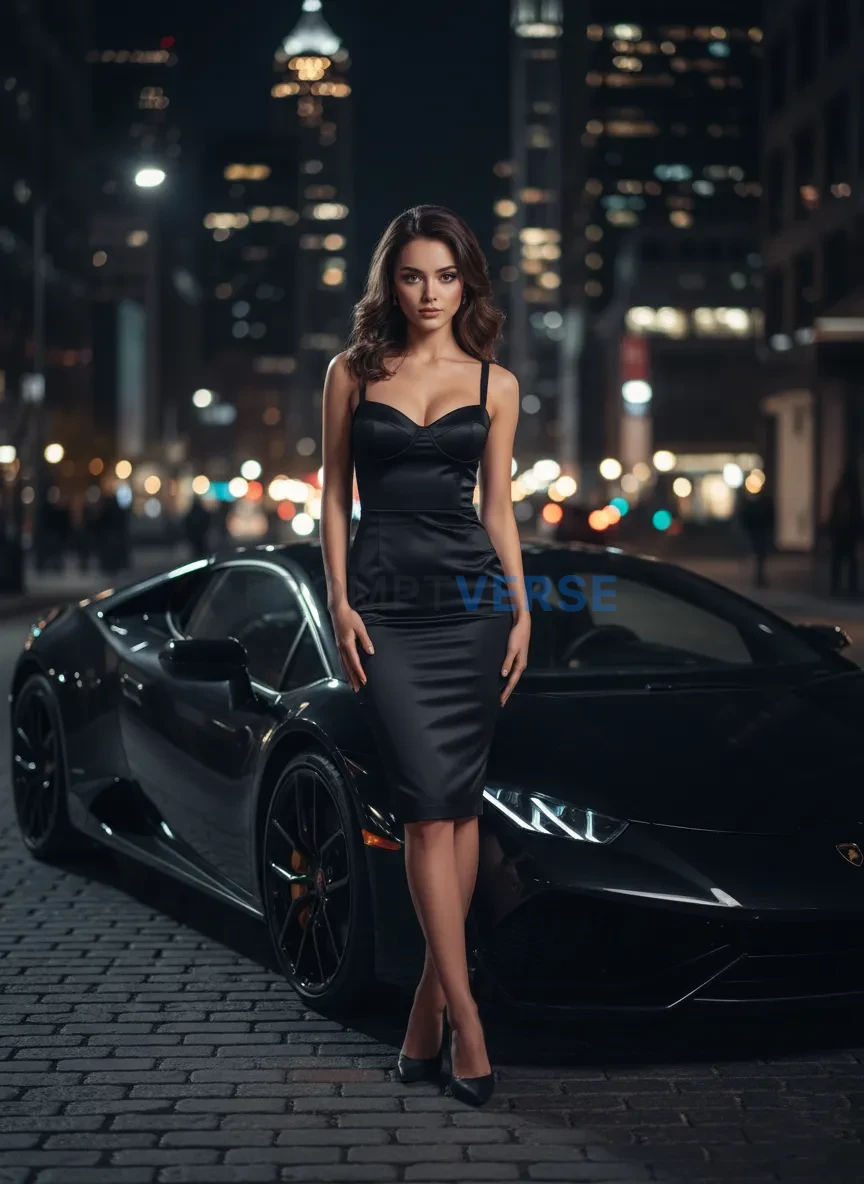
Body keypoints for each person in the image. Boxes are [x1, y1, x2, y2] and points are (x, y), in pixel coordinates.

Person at [320, 206, 530, 1107]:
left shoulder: (497, 383)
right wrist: (338, 600)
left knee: (460, 803)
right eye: (413, 276)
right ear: (390, 284)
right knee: (422, 808)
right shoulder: (351, 373)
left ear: (466, 282)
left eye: (445, 276)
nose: (430, 293)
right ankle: (469, 1019)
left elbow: (499, 509)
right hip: (388, 607)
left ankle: (424, 1016)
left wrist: (520, 611)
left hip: (474, 604)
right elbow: (333, 498)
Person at [828, 466, 863, 596]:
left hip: (842, 532)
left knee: (841, 561)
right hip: (846, 532)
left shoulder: (843, 491)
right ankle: (844, 587)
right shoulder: (851, 492)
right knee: (847, 561)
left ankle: (837, 587)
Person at [738, 485, 775, 588]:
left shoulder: (760, 503)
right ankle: (759, 576)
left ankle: (759, 576)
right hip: (757, 532)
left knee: (760, 556)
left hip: (759, 532)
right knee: (760, 555)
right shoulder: (756, 503)